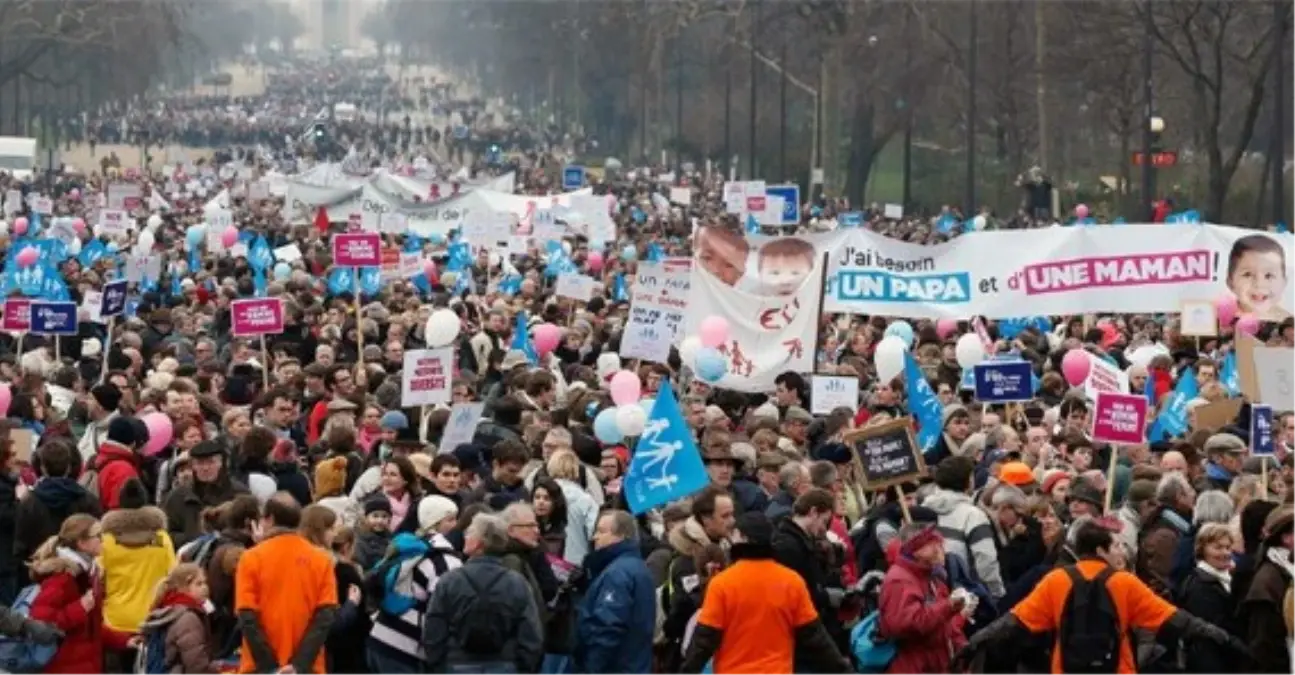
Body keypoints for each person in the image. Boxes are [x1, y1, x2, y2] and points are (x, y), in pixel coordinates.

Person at [956, 520, 1247, 674]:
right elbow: (1180, 620)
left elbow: (1012, 622)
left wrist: (972, 644)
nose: (1121, 551)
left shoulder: (1056, 581)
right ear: (1099, 551)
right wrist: (1226, 639)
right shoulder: (1124, 583)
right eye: (1116, 546)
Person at [681, 512, 849, 674]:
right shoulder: (791, 581)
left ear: (742, 537)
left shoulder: (721, 584)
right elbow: (816, 637)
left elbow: (704, 642)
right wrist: (844, 669)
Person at [421, 513, 544, 674]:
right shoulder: (517, 583)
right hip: (504, 664)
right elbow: (530, 633)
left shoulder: (449, 581)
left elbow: (434, 628)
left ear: (480, 543)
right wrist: (522, 666)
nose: (465, 535)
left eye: (470, 532)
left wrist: (438, 664)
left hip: (456, 663)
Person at [235, 493, 339, 675]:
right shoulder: (321, 560)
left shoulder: (251, 558)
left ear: (270, 519)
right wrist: (299, 665)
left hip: (258, 666)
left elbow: (247, 616)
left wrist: (270, 668)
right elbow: (324, 617)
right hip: (309, 667)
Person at [28, 514, 136, 674]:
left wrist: (125, 640)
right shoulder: (62, 577)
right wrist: (80, 608)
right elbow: (40, 623)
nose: (103, 540)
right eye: (98, 536)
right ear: (82, 543)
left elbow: (91, 630)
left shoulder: (88, 572)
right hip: (64, 667)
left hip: (85, 665)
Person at [366, 496, 463, 672]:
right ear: (435, 522)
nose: (456, 525)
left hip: (380, 636)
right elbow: (441, 610)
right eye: (450, 519)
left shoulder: (413, 545)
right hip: (404, 648)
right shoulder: (445, 559)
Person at [876, 524, 968, 674]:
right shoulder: (899, 580)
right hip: (915, 667)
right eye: (933, 544)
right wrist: (948, 606)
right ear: (917, 550)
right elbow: (905, 624)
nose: (940, 549)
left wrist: (963, 649)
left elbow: (944, 625)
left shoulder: (931, 577)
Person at [572, 510, 655, 674]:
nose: (595, 537)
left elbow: (608, 626)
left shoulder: (617, 573)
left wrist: (592, 668)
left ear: (621, 536)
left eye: (602, 531)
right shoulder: (636, 567)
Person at [100, 479, 177, 636]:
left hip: (114, 619)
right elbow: (172, 575)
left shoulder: (106, 541)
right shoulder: (161, 538)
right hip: (153, 616)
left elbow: (99, 579)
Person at [163, 440, 250, 547]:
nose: (205, 468)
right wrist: (194, 540)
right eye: (200, 463)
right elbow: (167, 533)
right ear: (193, 466)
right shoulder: (177, 497)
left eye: (210, 462)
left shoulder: (239, 494)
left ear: (220, 463)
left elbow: (249, 530)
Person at [138, 563, 219, 674]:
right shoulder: (188, 618)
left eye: (205, 583)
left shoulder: (167, 609)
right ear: (184, 587)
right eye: (199, 584)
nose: (205, 588)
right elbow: (196, 665)